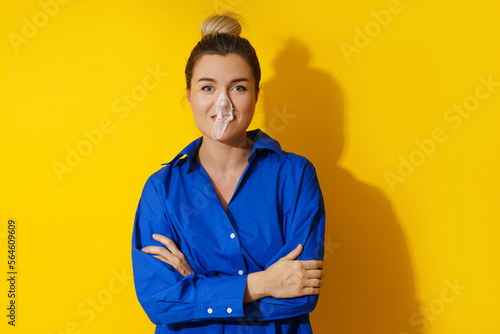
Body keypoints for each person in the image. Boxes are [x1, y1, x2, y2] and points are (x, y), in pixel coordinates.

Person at [131, 12, 326, 334]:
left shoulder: (295, 176)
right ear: (189, 95)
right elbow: (160, 301)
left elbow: (300, 294)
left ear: (256, 94)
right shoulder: (161, 190)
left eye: (237, 88)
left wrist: (195, 287)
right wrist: (265, 282)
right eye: (208, 87)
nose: (223, 104)